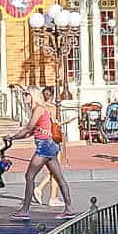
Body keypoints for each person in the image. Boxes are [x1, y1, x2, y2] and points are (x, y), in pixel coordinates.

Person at [6, 86, 74, 223]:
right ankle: (69, 209)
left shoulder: (38, 109)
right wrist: (14, 138)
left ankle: (24, 211)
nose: (24, 97)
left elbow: (28, 128)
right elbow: (31, 132)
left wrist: (12, 137)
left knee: (29, 176)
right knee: (58, 177)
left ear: (32, 95)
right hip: (50, 146)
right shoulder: (41, 109)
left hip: (44, 147)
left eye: (26, 94)